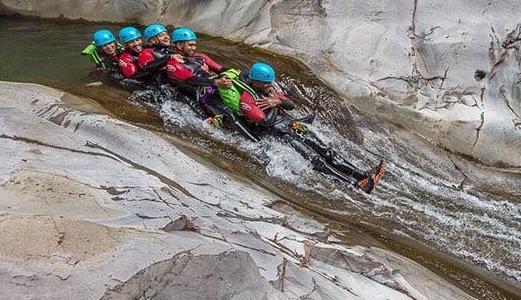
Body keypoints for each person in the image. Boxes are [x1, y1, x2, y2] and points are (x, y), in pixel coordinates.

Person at [221, 62, 386, 193]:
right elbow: (266, 123)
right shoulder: (246, 100)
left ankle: (364, 175)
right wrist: (272, 105)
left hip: (292, 126)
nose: (270, 86)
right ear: (256, 81)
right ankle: (354, 186)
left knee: (327, 151)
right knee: (316, 161)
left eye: (270, 83)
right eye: (266, 83)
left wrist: (277, 101)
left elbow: (290, 104)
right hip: (279, 135)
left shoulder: (267, 90)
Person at [164, 27, 258, 141]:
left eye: (194, 45)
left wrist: (239, 73)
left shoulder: (201, 57)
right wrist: (216, 82)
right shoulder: (173, 64)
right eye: (190, 45)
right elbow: (191, 80)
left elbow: (220, 68)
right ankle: (255, 142)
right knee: (229, 113)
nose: (193, 48)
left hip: (218, 87)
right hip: (205, 95)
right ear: (179, 45)